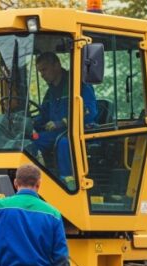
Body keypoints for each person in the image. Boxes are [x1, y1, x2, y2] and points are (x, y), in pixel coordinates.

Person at [33, 52, 97, 187]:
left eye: (44, 70)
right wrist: (28, 123)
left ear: (56, 66)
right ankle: (36, 182)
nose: (42, 75)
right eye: (40, 72)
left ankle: (68, 184)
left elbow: (89, 112)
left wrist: (62, 122)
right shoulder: (51, 91)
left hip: (80, 131)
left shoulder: (78, 85)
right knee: (32, 141)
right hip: (56, 133)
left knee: (64, 143)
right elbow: (43, 115)